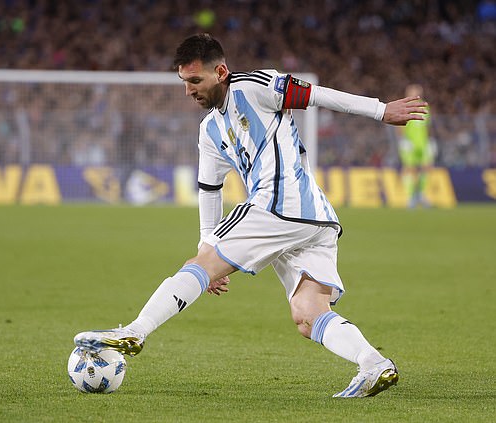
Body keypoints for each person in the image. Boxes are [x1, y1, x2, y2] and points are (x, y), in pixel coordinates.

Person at [74, 33, 428, 398]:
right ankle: (374, 363)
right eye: (184, 82)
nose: (189, 91)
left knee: (202, 264)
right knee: (308, 315)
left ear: (221, 72)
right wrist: (205, 248)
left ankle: (136, 330)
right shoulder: (210, 130)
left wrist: (380, 109)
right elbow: (209, 190)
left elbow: (316, 95)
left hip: (278, 203)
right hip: (314, 221)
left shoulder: (255, 86)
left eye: (195, 80)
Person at [397, 84, 435, 208]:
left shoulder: (425, 107)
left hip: (423, 143)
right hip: (409, 143)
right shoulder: (404, 106)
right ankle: (410, 197)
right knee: (409, 169)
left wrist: (429, 140)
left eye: (418, 92)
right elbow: (399, 125)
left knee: (426, 168)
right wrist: (402, 140)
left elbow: (427, 126)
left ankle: (421, 195)